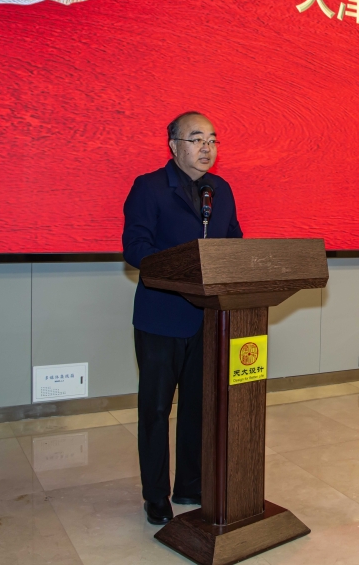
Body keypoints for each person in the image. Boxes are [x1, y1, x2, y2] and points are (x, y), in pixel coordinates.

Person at [122, 111, 243, 525]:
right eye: (196, 139)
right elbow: (136, 247)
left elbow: (233, 242)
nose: (206, 147)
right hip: (162, 316)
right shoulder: (150, 187)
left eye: (212, 139)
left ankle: (190, 484)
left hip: (208, 318)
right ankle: (156, 495)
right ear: (174, 145)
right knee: (156, 410)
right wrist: (184, 269)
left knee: (198, 407)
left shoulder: (221, 190)